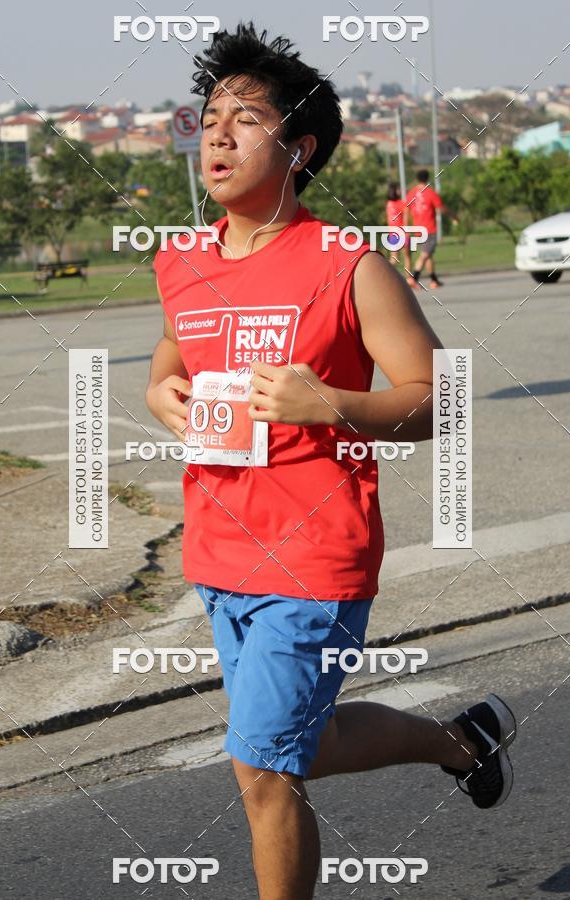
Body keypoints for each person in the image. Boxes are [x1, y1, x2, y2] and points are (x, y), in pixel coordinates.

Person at [146, 22, 516, 900]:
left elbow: (441, 398)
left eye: (245, 118)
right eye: (208, 117)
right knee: (296, 743)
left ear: (299, 146)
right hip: (219, 550)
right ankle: (459, 743)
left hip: (314, 559)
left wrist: (335, 405)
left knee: (263, 770)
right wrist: (162, 390)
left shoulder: (349, 267)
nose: (218, 135)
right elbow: (172, 350)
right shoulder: (181, 263)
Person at [404, 168, 458, 290]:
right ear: (427, 178)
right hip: (429, 230)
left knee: (428, 255)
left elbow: (406, 212)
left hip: (418, 231)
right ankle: (414, 278)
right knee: (425, 255)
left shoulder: (411, 194)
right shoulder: (430, 193)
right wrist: (454, 217)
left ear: (416, 179)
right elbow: (442, 208)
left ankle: (434, 280)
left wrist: (407, 228)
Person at [385, 181, 412, 272]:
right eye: (399, 189)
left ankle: (384, 272)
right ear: (395, 191)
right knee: (407, 257)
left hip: (392, 234)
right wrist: (407, 233)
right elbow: (406, 221)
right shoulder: (402, 204)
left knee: (394, 259)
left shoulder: (388, 204)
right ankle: (409, 278)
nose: (400, 190)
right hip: (402, 233)